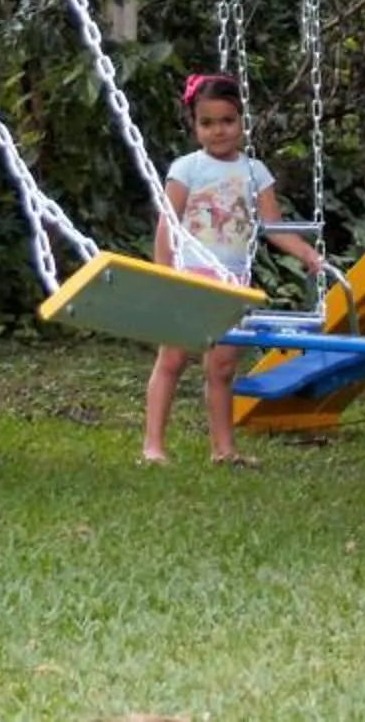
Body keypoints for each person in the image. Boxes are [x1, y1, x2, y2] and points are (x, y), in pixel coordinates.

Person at [143, 73, 323, 466]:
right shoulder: (186, 169)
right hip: (189, 278)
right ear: (194, 125)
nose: (218, 131)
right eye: (206, 123)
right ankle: (153, 446)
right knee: (172, 359)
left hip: (232, 283)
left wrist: (306, 253)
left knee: (222, 367)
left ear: (242, 121)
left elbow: (272, 228)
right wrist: (164, 275)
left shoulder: (255, 172)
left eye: (227, 121)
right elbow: (167, 225)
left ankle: (223, 450)